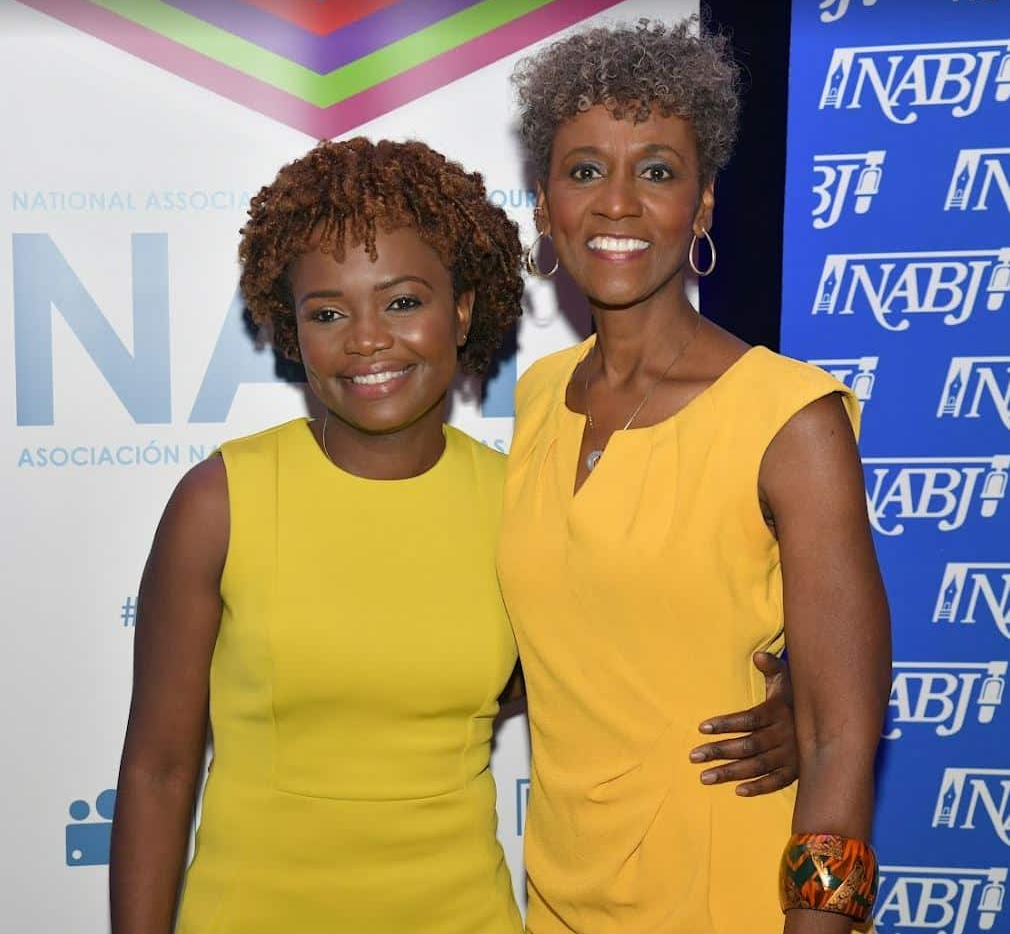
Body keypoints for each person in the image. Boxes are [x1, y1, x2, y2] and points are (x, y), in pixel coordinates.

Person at [108, 137, 798, 934]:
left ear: (462, 309)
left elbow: (610, 664)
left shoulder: (519, 499)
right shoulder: (221, 500)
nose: (367, 339)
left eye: (402, 301)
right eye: (327, 312)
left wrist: (785, 702)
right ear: (290, 331)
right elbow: (158, 772)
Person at [497, 17, 891, 934]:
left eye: (659, 170)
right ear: (547, 203)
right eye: (585, 169)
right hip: (560, 892)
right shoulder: (539, 397)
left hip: (729, 887)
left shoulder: (790, 419)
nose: (618, 202)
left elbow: (839, 739)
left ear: (705, 203)